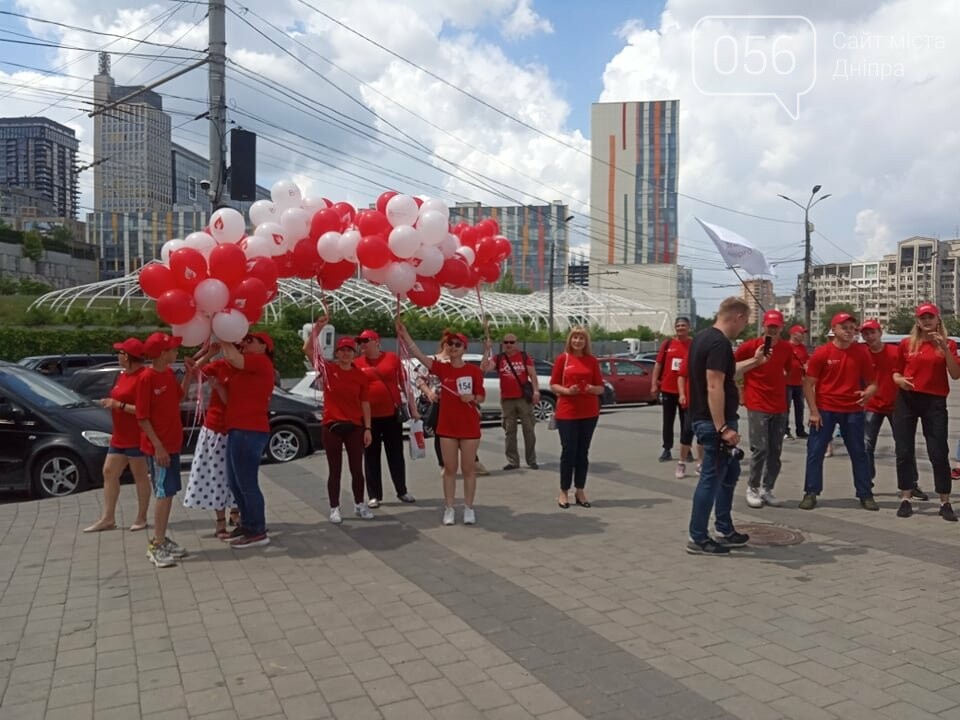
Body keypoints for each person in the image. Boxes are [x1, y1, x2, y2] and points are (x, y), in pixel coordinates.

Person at [686, 297, 766, 555]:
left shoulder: (703, 337)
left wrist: (755, 361)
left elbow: (728, 372)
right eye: (745, 323)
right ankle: (698, 537)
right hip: (713, 423)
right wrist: (722, 428)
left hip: (708, 419)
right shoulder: (719, 343)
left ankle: (724, 527)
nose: (743, 329)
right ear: (738, 317)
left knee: (728, 475)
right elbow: (714, 385)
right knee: (711, 479)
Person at [397, 321, 485, 525]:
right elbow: (419, 356)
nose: (453, 347)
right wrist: (405, 334)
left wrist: (471, 397)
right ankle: (449, 508)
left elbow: (481, 397)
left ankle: (469, 508)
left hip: (469, 426)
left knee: (469, 468)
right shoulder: (442, 369)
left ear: (464, 349)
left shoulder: (473, 371)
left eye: (458, 344)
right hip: (447, 426)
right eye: (450, 344)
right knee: (449, 468)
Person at [798, 313, 878, 511]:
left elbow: (873, 383)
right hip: (825, 410)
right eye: (845, 327)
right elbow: (808, 384)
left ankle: (865, 494)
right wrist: (813, 411)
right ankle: (811, 492)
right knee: (815, 452)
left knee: (859, 453)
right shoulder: (822, 353)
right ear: (834, 330)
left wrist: (868, 393)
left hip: (853, 411)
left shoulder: (861, 353)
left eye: (852, 327)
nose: (850, 331)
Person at [892, 304, 960, 520]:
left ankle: (945, 501)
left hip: (934, 402)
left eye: (931, 317)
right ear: (918, 322)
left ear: (938, 320)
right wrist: (899, 380)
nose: (927, 321)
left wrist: (946, 349)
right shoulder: (906, 344)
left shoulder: (948, 344)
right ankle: (905, 497)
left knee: (938, 452)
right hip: (907, 400)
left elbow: (956, 374)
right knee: (904, 451)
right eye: (923, 318)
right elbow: (895, 372)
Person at [304, 319, 375, 524]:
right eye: (342, 350)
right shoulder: (328, 369)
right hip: (332, 426)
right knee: (335, 469)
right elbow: (307, 348)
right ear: (336, 353)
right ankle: (334, 507)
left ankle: (359, 504)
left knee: (356, 469)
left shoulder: (360, 376)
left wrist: (368, 428)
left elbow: (365, 403)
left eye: (349, 350)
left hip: (355, 426)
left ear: (355, 354)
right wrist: (318, 327)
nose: (345, 354)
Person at [83, 337, 151, 533]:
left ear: (129, 356)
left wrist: (118, 405)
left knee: (140, 476)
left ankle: (141, 516)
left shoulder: (143, 377)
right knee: (109, 472)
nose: (118, 356)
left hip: (136, 435)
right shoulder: (123, 375)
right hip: (120, 435)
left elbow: (143, 409)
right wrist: (110, 402)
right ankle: (108, 517)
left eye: (120, 353)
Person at [137, 332, 191, 568]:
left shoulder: (167, 373)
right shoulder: (146, 378)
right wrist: (158, 447)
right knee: (163, 493)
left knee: (168, 493)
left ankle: (161, 538)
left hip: (172, 444)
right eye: (172, 349)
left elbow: (180, 396)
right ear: (161, 353)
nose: (176, 351)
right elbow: (142, 417)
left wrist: (189, 374)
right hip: (159, 448)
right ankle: (156, 545)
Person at [860, 319, 928, 501]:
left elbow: (908, 370)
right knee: (866, 446)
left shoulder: (893, 352)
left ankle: (911, 484)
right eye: (865, 333)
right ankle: (866, 483)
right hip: (872, 405)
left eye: (872, 332)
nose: (869, 336)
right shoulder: (862, 355)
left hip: (896, 404)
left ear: (880, 333)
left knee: (904, 446)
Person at [220, 332, 276, 547]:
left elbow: (233, 357)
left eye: (250, 340)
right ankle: (248, 522)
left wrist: (224, 336)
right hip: (238, 428)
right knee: (235, 482)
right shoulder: (247, 367)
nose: (244, 342)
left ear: (264, 347)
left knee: (246, 483)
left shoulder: (260, 362)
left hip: (249, 430)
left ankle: (257, 530)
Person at [736, 310, 793, 508]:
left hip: (779, 404)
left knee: (775, 451)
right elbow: (734, 368)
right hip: (757, 403)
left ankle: (767, 488)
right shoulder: (749, 347)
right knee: (760, 448)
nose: (772, 330)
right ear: (763, 326)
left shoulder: (786, 348)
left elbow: (788, 369)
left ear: (781, 328)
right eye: (769, 326)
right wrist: (740, 390)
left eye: (776, 327)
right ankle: (752, 487)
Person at [353, 329, 416, 506]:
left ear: (376, 342)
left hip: (391, 415)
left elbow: (404, 384)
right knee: (371, 456)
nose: (362, 345)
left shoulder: (392, 359)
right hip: (368, 419)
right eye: (360, 342)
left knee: (395, 454)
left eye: (366, 341)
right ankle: (374, 495)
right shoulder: (357, 363)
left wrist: (413, 408)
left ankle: (401, 490)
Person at [182, 344, 238, 539]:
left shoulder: (246, 368)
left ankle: (236, 513)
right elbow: (194, 372)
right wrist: (209, 354)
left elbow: (236, 401)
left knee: (239, 475)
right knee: (216, 476)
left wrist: (221, 389)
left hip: (237, 429)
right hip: (215, 429)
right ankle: (220, 521)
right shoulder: (220, 365)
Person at [549, 327, 604, 509]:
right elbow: (553, 385)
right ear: (570, 340)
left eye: (581, 338)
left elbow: (601, 387)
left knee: (583, 452)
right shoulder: (563, 359)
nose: (578, 341)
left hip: (589, 412)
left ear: (586, 341)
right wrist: (567, 391)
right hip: (567, 412)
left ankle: (580, 490)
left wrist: (591, 389)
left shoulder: (592, 361)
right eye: (575, 338)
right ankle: (564, 491)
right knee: (569, 451)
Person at [481, 333, 540, 470]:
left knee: (529, 430)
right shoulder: (499, 358)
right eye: (506, 342)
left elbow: (532, 374)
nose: (508, 345)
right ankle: (513, 461)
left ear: (516, 343)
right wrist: (486, 350)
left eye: (511, 342)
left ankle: (531, 460)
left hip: (523, 399)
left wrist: (536, 391)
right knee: (509, 431)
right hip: (507, 400)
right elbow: (484, 368)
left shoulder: (524, 357)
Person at [651, 317, 692, 462]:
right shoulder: (668, 344)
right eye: (678, 325)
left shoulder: (693, 344)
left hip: (686, 390)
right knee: (668, 420)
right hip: (668, 388)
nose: (681, 328)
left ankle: (686, 449)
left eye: (684, 325)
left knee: (686, 422)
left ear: (689, 327)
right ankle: (667, 448)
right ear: (675, 328)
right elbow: (658, 365)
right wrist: (654, 384)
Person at [675, 356, 703, 475]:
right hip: (691, 402)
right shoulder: (690, 356)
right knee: (687, 432)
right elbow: (681, 376)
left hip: (707, 403)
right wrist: (682, 394)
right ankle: (681, 462)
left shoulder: (713, 356)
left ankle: (701, 463)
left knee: (703, 435)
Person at [784, 325, 809, 439]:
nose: (803, 335)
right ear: (793, 334)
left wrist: (806, 366)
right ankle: (785, 430)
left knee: (800, 408)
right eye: (801, 333)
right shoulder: (786, 346)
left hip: (799, 382)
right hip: (787, 383)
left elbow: (807, 360)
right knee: (786, 408)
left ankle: (800, 430)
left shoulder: (803, 348)